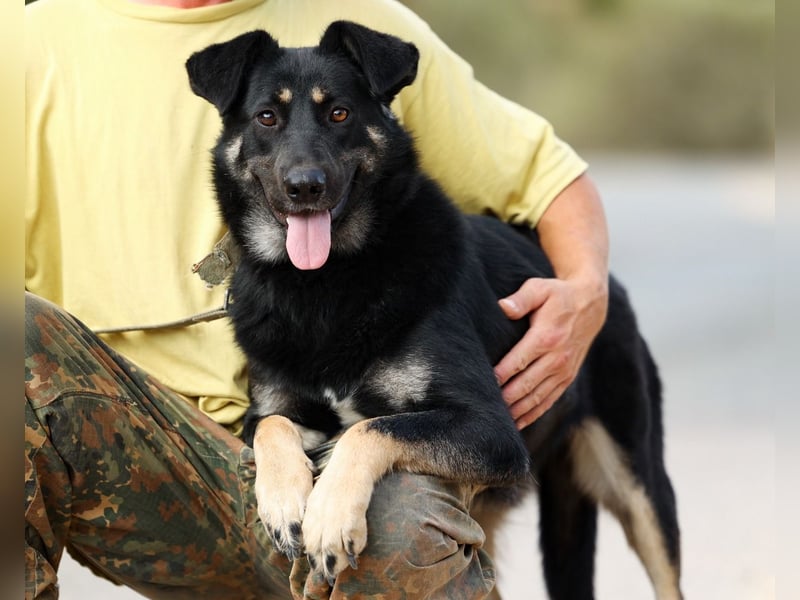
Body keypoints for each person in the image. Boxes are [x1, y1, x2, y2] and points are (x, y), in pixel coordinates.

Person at [25, 0, 609, 598]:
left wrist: (588, 293)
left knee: (396, 527)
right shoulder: (23, 42)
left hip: (337, 485)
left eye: (335, 115)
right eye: (270, 122)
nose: (303, 173)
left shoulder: (357, 16)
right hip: (144, 457)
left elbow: (550, 177)